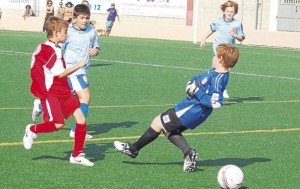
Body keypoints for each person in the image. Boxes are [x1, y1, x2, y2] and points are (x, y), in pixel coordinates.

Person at [114, 43, 240, 172]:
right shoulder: (216, 71)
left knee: (158, 122)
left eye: (215, 55)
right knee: (168, 130)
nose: (213, 57)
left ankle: (133, 149)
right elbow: (202, 82)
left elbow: (216, 102)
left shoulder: (219, 78)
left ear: (220, 59)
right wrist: (191, 84)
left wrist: (196, 91)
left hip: (190, 110)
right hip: (191, 109)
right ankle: (187, 153)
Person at [23, 16, 94, 167]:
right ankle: (31, 129)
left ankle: (77, 155)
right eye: (64, 31)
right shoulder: (51, 51)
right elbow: (60, 74)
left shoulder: (53, 47)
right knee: (57, 124)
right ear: (55, 33)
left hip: (64, 90)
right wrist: (79, 65)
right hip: (51, 92)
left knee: (81, 119)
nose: (66, 34)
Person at [31, 4, 100, 139]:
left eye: (87, 18)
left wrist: (95, 51)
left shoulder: (92, 31)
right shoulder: (68, 33)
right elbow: (57, 47)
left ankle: (40, 104)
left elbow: (97, 46)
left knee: (68, 99)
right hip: (72, 71)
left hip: (81, 70)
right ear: (74, 18)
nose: (85, 21)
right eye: (82, 18)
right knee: (85, 97)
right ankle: (76, 130)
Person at [200, 0, 245, 99]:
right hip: (219, 47)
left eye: (232, 11)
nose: (230, 13)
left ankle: (208, 84)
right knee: (221, 67)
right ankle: (220, 89)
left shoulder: (237, 24)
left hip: (230, 49)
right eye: (228, 11)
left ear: (235, 13)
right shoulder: (218, 22)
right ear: (224, 11)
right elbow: (211, 30)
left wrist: (234, 35)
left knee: (224, 69)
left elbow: (241, 38)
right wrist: (204, 38)